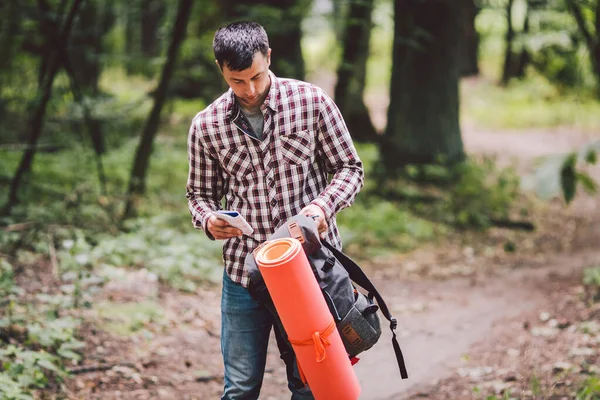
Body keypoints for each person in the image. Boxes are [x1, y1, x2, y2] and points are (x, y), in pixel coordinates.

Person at [185, 21, 364, 400]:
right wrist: (209, 219)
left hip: (309, 271)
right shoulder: (206, 126)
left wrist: (321, 208)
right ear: (221, 69)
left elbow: (350, 169)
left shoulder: (311, 102)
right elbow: (198, 195)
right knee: (240, 388)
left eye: (256, 76)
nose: (249, 90)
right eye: (237, 81)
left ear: (269, 57)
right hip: (243, 275)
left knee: (310, 385)